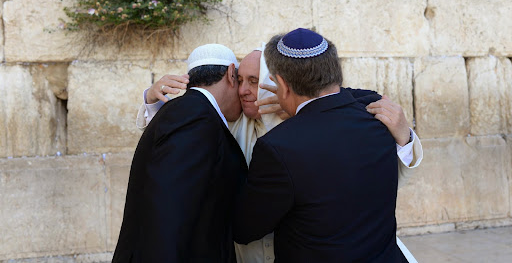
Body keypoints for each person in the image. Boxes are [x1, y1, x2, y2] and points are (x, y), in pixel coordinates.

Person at [136, 40, 422, 262]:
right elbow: (177, 141)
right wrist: (153, 101)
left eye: (254, 80)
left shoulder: (325, 121)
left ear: (279, 83)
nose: (246, 90)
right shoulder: (231, 126)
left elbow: (380, 177)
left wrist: (405, 137)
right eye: (240, 80)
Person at [233, 29, 408, 262]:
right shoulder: (380, 119)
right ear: (334, 72)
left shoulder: (278, 147)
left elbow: (245, 229)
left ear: (282, 85)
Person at [112, 44, 248, 263]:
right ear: (231, 74)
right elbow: (169, 211)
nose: (243, 93)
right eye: (241, 81)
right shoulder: (196, 116)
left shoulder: (188, 111)